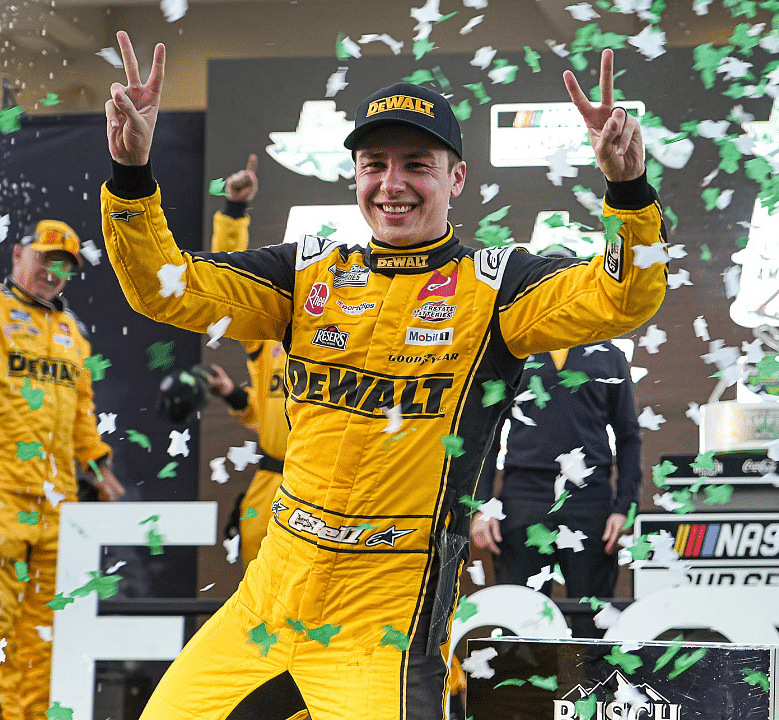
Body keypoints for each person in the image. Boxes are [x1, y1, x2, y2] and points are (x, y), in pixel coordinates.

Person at [101, 30, 666, 719]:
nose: (392, 184)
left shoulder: (498, 289)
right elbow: (165, 289)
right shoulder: (309, 274)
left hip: (385, 621)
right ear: (356, 176)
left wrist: (629, 191)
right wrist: (131, 175)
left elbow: (622, 298)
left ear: (456, 178)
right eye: (375, 164)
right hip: (269, 602)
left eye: (416, 165)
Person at [0, 170, 125, 720]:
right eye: (44, 258)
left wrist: (99, 466)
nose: (53, 271)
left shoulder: (73, 335)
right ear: (18, 254)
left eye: (64, 265)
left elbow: (81, 412)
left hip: (56, 502)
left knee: (46, 640)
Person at [471, 337, 643, 637]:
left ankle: (593, 683)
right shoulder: (514, 350)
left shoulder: (609, 355)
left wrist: (625, 507)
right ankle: (521, 684)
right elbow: (486, 432)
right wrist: (482, 504)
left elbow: (628, 435)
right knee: (520, 616)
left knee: (593, 618)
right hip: (523, 497)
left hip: (589, 500)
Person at [203, 154, 292, 568]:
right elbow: (227, 281)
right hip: (269, 481)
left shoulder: (352, 345)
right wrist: (234, 211)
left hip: (326, 486)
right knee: (256, 594)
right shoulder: (269, 334)